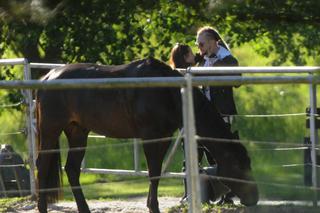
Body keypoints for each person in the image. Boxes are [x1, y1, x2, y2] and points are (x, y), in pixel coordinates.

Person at [169, 43, 229, 204]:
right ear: (185, 58)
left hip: (192, 123)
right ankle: (197, 194)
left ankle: (199, 194)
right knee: (198, 158)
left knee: (194, 159)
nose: (194, 55)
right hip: (194, 123)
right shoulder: (188, 75)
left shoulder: (184, 73)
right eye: (190, 54)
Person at [195, 26, 241, 204]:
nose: (199, 48)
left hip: (221, 114)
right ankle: (214, 193)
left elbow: (237, 81)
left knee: (224, 154)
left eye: (201, 44)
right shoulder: (202, 60)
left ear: (214, 42)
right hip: (206, 116)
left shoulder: (228, 59)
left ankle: (229, 193)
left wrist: (217, 68)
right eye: (198, 44)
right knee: (209, 154)